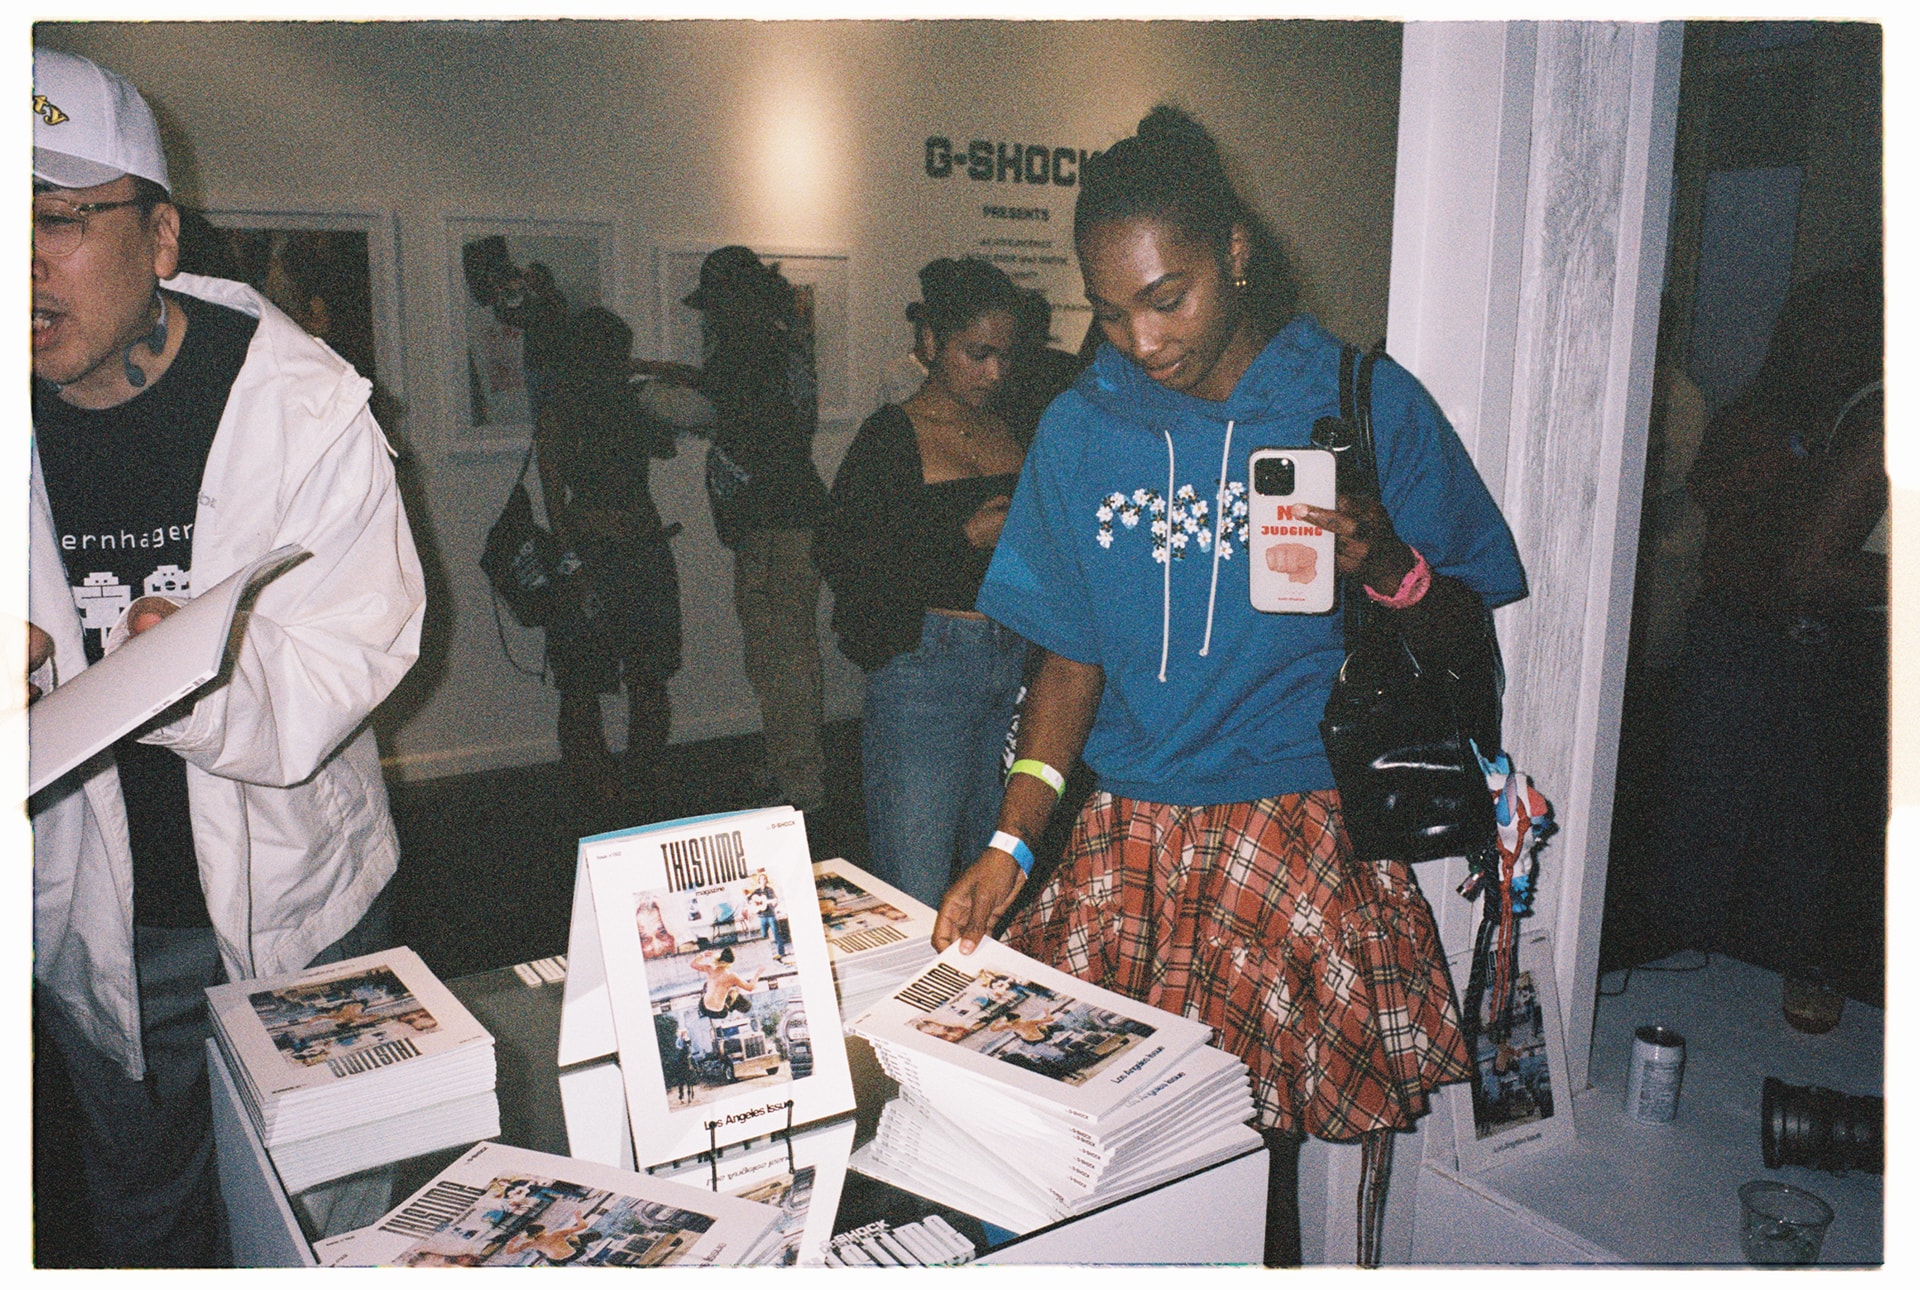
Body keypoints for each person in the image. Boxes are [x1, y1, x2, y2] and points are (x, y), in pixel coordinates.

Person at [931, 106, 1526, 1266]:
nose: (1143, 340)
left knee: (1267, 1185)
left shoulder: (1359, 399)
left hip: (1295, 836)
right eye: (1110, 309)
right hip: (1130, 848)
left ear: (1237, 254)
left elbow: (1470, 621)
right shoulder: (1079, 426)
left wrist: (1387, 564)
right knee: (1121, 1183)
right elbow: (1070, 658)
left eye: (1171, 297)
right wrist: (1009, 845)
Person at [28, 48, 425, 1266]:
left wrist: (194, 676)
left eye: (54, 217)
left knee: (334, 1209)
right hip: (94, 923)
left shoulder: (305, 411)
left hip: (304, 902)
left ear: (158, 239)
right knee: (140, 1211)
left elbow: (359, 653)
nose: (17, 259)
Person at [814, 257, 1031, 908]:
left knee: (998, 877)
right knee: (914, 882)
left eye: (1005, 356)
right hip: (927, 669)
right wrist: (960, 539)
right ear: (931, 344)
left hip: (1013, 658)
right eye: (978, 353)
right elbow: (846, 555)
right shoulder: (892, 435)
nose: (995, 373)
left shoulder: (1011, 429)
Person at [639, 247, 829, 815]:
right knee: (781, 653)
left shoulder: (750, 350)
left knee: (780, 657)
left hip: (774, 523)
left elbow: (715, 409)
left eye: (717, 304)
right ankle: (790, 768)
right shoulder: (778, 343)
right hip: (784, 518)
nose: (710, 317)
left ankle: (799, 782)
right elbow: (738, 400)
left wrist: (650, 395)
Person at [533, 305, 683, 814]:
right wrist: (573, 564)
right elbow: (553, 500)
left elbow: (556, 500)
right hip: (607, 549)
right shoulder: (576, 409)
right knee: (591, 680)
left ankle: (628, 786)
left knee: (636, 676)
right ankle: (609, 790)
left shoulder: (627, 405)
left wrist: (647, 372)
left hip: (629, 548)